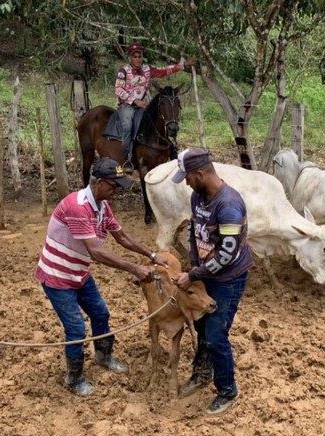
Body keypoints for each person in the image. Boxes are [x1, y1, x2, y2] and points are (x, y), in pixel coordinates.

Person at [35, 157, 166, 396]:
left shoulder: (102, 207)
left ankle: (103, 356)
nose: (116, 191)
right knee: (75, 329)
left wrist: (152, 254)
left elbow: (122, 238)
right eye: (114, 186)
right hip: (58, 277)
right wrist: (134, 268)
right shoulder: (77, 206)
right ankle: (74, 379)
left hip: (79, 273)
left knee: (101, 313)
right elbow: (96, 252)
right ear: (101, 183)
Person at [171, 147, 254, 415]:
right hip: (207, 272)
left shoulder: (229, 205)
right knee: (203, 327)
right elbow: (195, 230)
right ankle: (202, 372)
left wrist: (194, 275)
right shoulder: (198, 196)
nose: (185, 182)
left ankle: (227, 390)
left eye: (187, 177)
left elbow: (227, 254)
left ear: (201, 173)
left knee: (217, 335)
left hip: (228, 278)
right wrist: (194, 263)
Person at [114, 42, 194, 168]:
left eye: (139, 56)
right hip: (127, 105)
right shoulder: (123, 71)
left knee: (158, 123)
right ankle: (127, 158)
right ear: (130, 57)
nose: (137, 59)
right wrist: (135, 101)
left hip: (144, 105)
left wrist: (182, 66)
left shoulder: (147, 69)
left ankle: (170, 148)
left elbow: (164, 71)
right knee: (128, 126)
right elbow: (118, 90)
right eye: (134, 56)